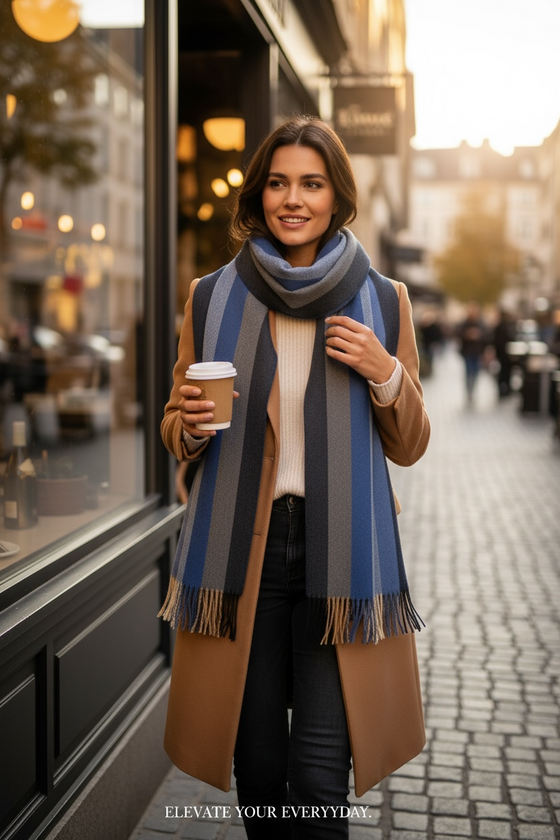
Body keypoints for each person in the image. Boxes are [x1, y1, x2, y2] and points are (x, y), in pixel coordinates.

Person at [159, 116, 430, 839]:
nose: (292, 198)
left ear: (337, 196)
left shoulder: (383, 298)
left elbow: (409, 443)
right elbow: (177, 427)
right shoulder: (210, 297)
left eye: (311, 183)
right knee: (259, 764)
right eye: (278, 182)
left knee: (316, 776)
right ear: (259, 193)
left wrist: (386, 372)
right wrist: (184, 422)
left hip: (338, 553)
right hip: (243, 555)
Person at [457, 301, 487, 403]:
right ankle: (469, 392)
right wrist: (468, 335)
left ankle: (473, 391)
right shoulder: (465, 323)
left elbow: (486, 335)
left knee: (476, 372)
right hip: (467, 352)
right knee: (468, 372)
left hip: (477, 352)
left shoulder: (480, 323)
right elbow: (458, 334)